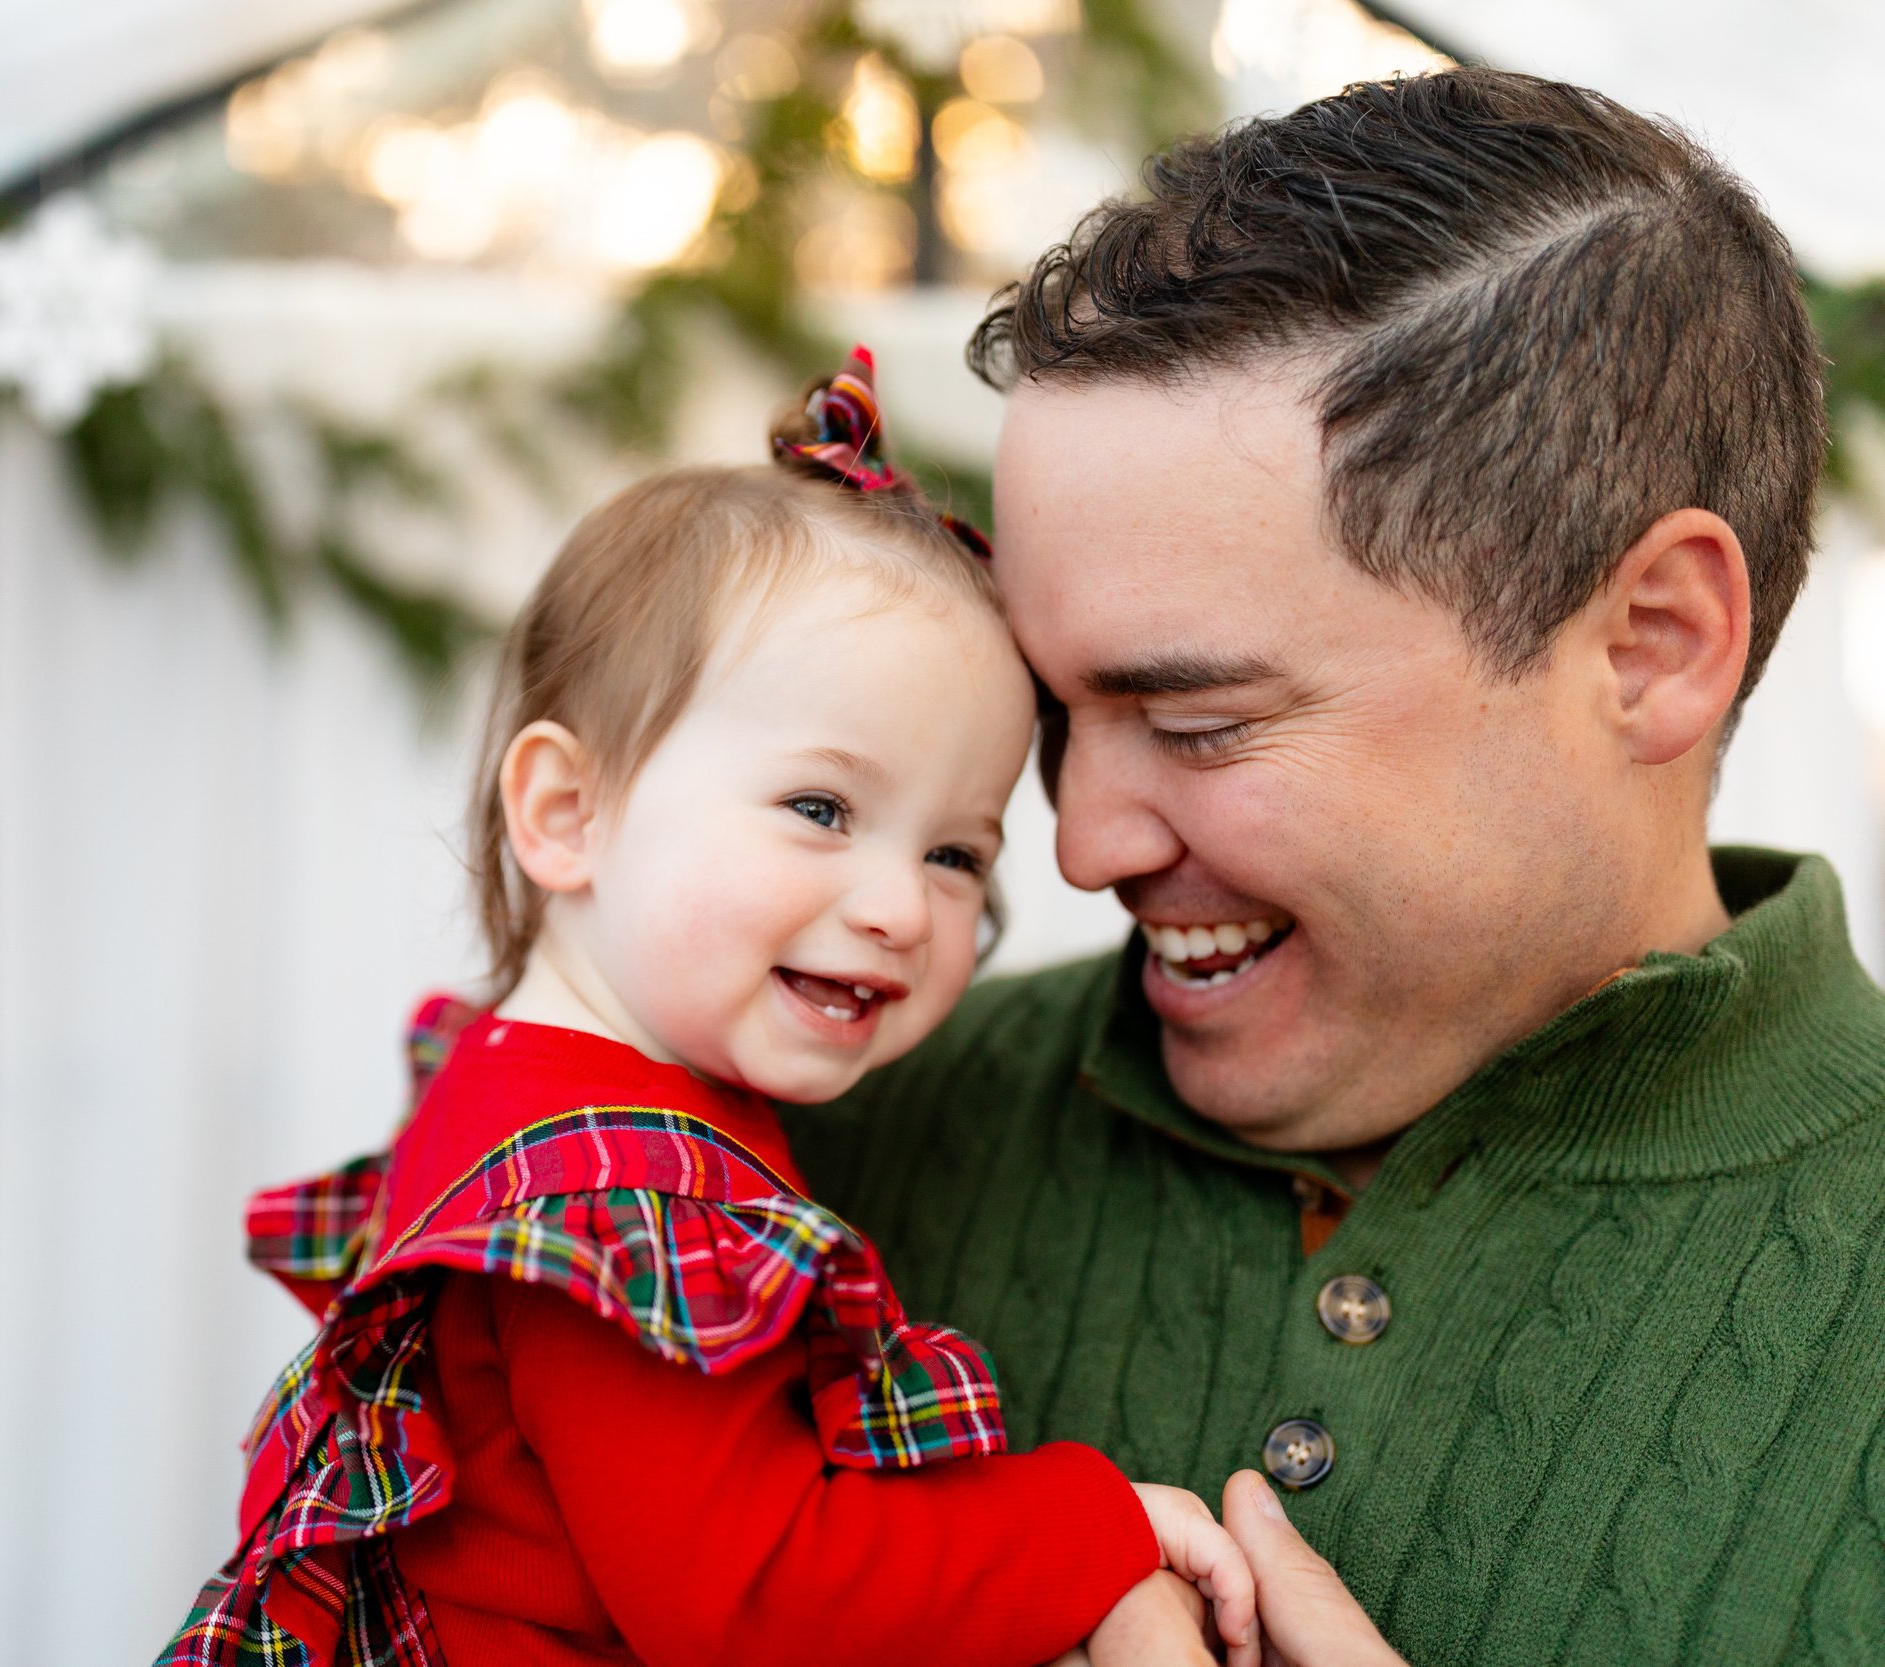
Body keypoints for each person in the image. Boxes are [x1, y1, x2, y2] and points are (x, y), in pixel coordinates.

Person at [785, 68, 1883, 1666]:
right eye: (1051, 714)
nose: (1080, 846)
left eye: (1202, 721)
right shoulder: (816, 1150)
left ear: (1651, 647)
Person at [156, 351, 1261, 1667]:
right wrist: (1097, 1526)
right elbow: (757, 1598)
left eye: (957, 853)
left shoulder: (536, 1079)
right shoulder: (616, 1202)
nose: (900, 909)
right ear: (569, 815)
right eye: (821, 810)